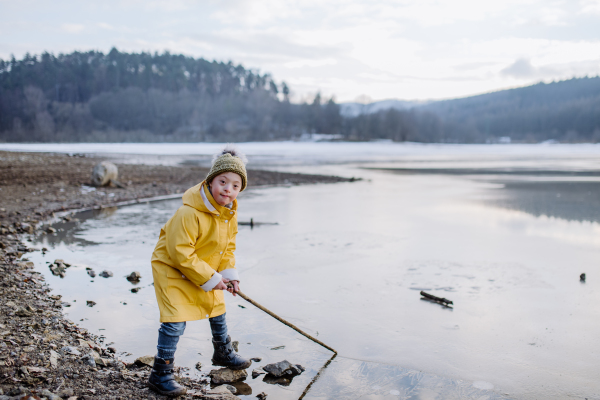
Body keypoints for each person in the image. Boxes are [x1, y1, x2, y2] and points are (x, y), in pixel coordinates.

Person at [148, 146, 251, 396]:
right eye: (223, 182)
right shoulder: (189, 213)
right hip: (172, 267)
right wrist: (210, 278)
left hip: (204, 266)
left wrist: (229, 275)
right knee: (175, 320)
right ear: (210, 181)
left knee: (217, 308)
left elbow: (228, 249)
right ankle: (160, 373)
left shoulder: (229, 215)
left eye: (235, 185)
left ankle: (223, 352)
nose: (228, 189)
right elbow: (181, 253)